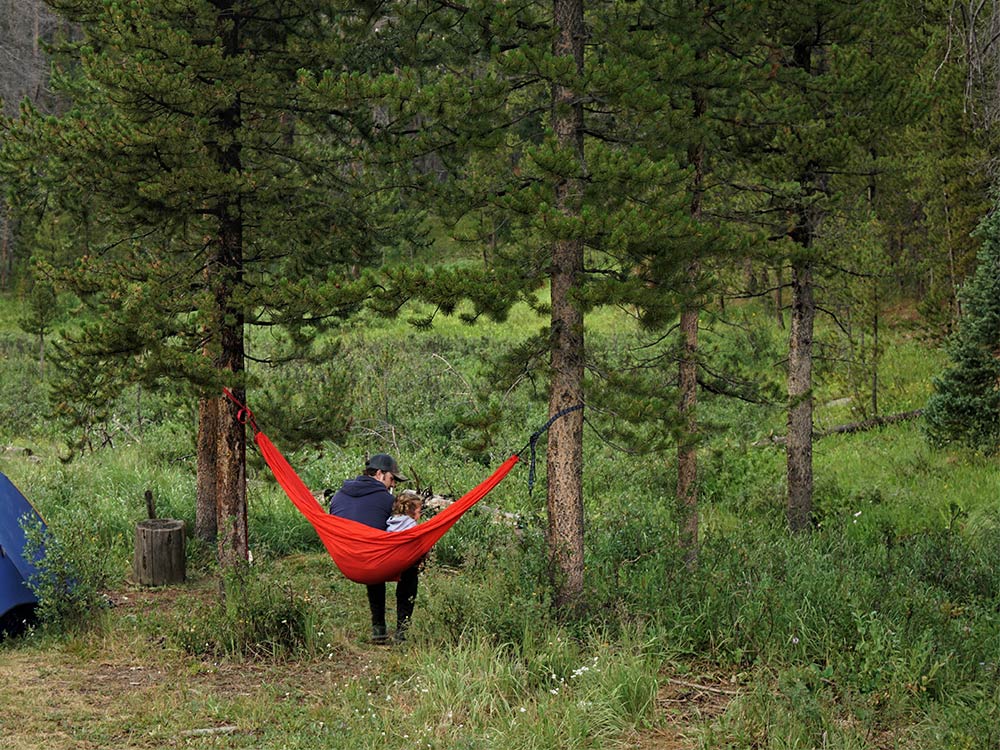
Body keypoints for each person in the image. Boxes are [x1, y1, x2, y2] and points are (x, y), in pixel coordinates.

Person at [327, 453, 417, 644]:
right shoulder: (387, 501)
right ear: (379, 474)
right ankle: (402, 630)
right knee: (407, 564)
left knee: (371, 552)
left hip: (346, 559)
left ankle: (379, 627)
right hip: (370, 561)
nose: (393, 485)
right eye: (392, 479)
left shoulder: (337, 497)